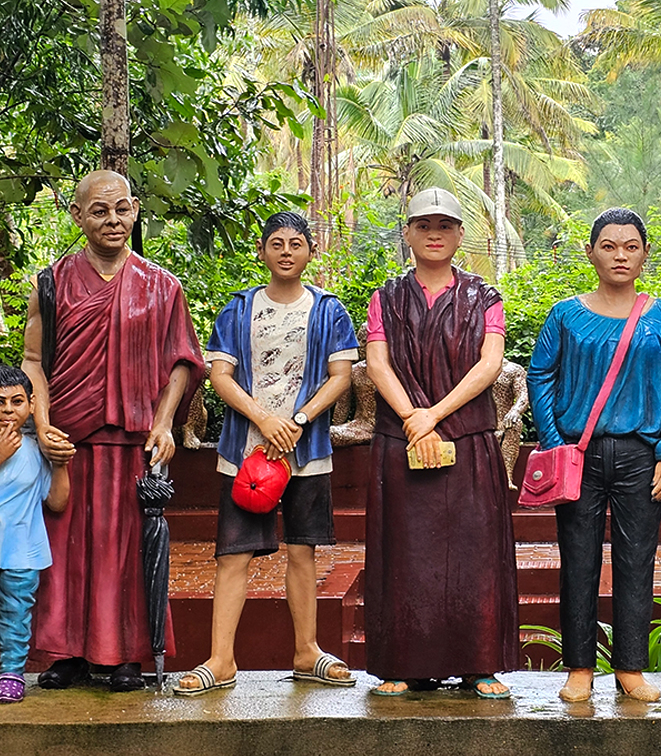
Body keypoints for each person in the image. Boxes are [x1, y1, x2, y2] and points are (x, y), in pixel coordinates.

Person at [23, 170, 204, 692]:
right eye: (99, 211)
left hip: (133, 443)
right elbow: (33, 360)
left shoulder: (162, 286)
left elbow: (182, 361)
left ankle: (126, 655)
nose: (113, 220)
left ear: (136, 210)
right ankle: (67, 653)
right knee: (66, 552)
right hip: (69, 445)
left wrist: (165, 422)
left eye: (122, 209)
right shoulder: (51, 283)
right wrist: (42, 424)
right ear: (77, 215)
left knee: (128, 551)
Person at [175, 212, 359, 696]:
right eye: (276, 243)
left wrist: (297, 421)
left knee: (303, 550)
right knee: (233, 555)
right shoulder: (237, 310)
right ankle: (221, 660)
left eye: (296, 243)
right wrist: (264, 419)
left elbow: (340, 376)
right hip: (245, 452)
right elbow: (219, 376)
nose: (286, 252)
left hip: (306, 450)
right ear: (261, 251)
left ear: (311, 252)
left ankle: (307, 652)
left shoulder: (329, 311)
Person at [528, 208, 661, 703]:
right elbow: (541, 375)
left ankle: (630, 666)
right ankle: (579, 667)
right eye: (608, 246)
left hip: (642, 456)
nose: (620, 255)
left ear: (645, 254)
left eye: (630, 246)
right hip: (577, 454)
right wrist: (554, 440)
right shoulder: (565, 315)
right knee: (577, 560)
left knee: (637, 561)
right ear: (590, 253)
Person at [364, 187, 518, 698]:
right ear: (407, 233)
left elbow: (490, 364)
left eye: (445, 225)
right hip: (401, 441)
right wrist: (412, 416)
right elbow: (378, 363)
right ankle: (403, 664)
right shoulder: (386, 297)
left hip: (468, 440)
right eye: (424, 225)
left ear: (460, 234)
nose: (435, 234)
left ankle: (479, 664)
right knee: (403, 554)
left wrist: (433, 414)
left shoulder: (484, 296)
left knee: (476, 554)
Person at [0, 365, 71, 703]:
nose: (8, 410)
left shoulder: (35, 450)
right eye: (0, 403)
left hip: (21, 551)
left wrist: (60, 464)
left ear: (31, 405)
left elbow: (56, 502)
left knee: (16, 615)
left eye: (16, 402)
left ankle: (11, 672)